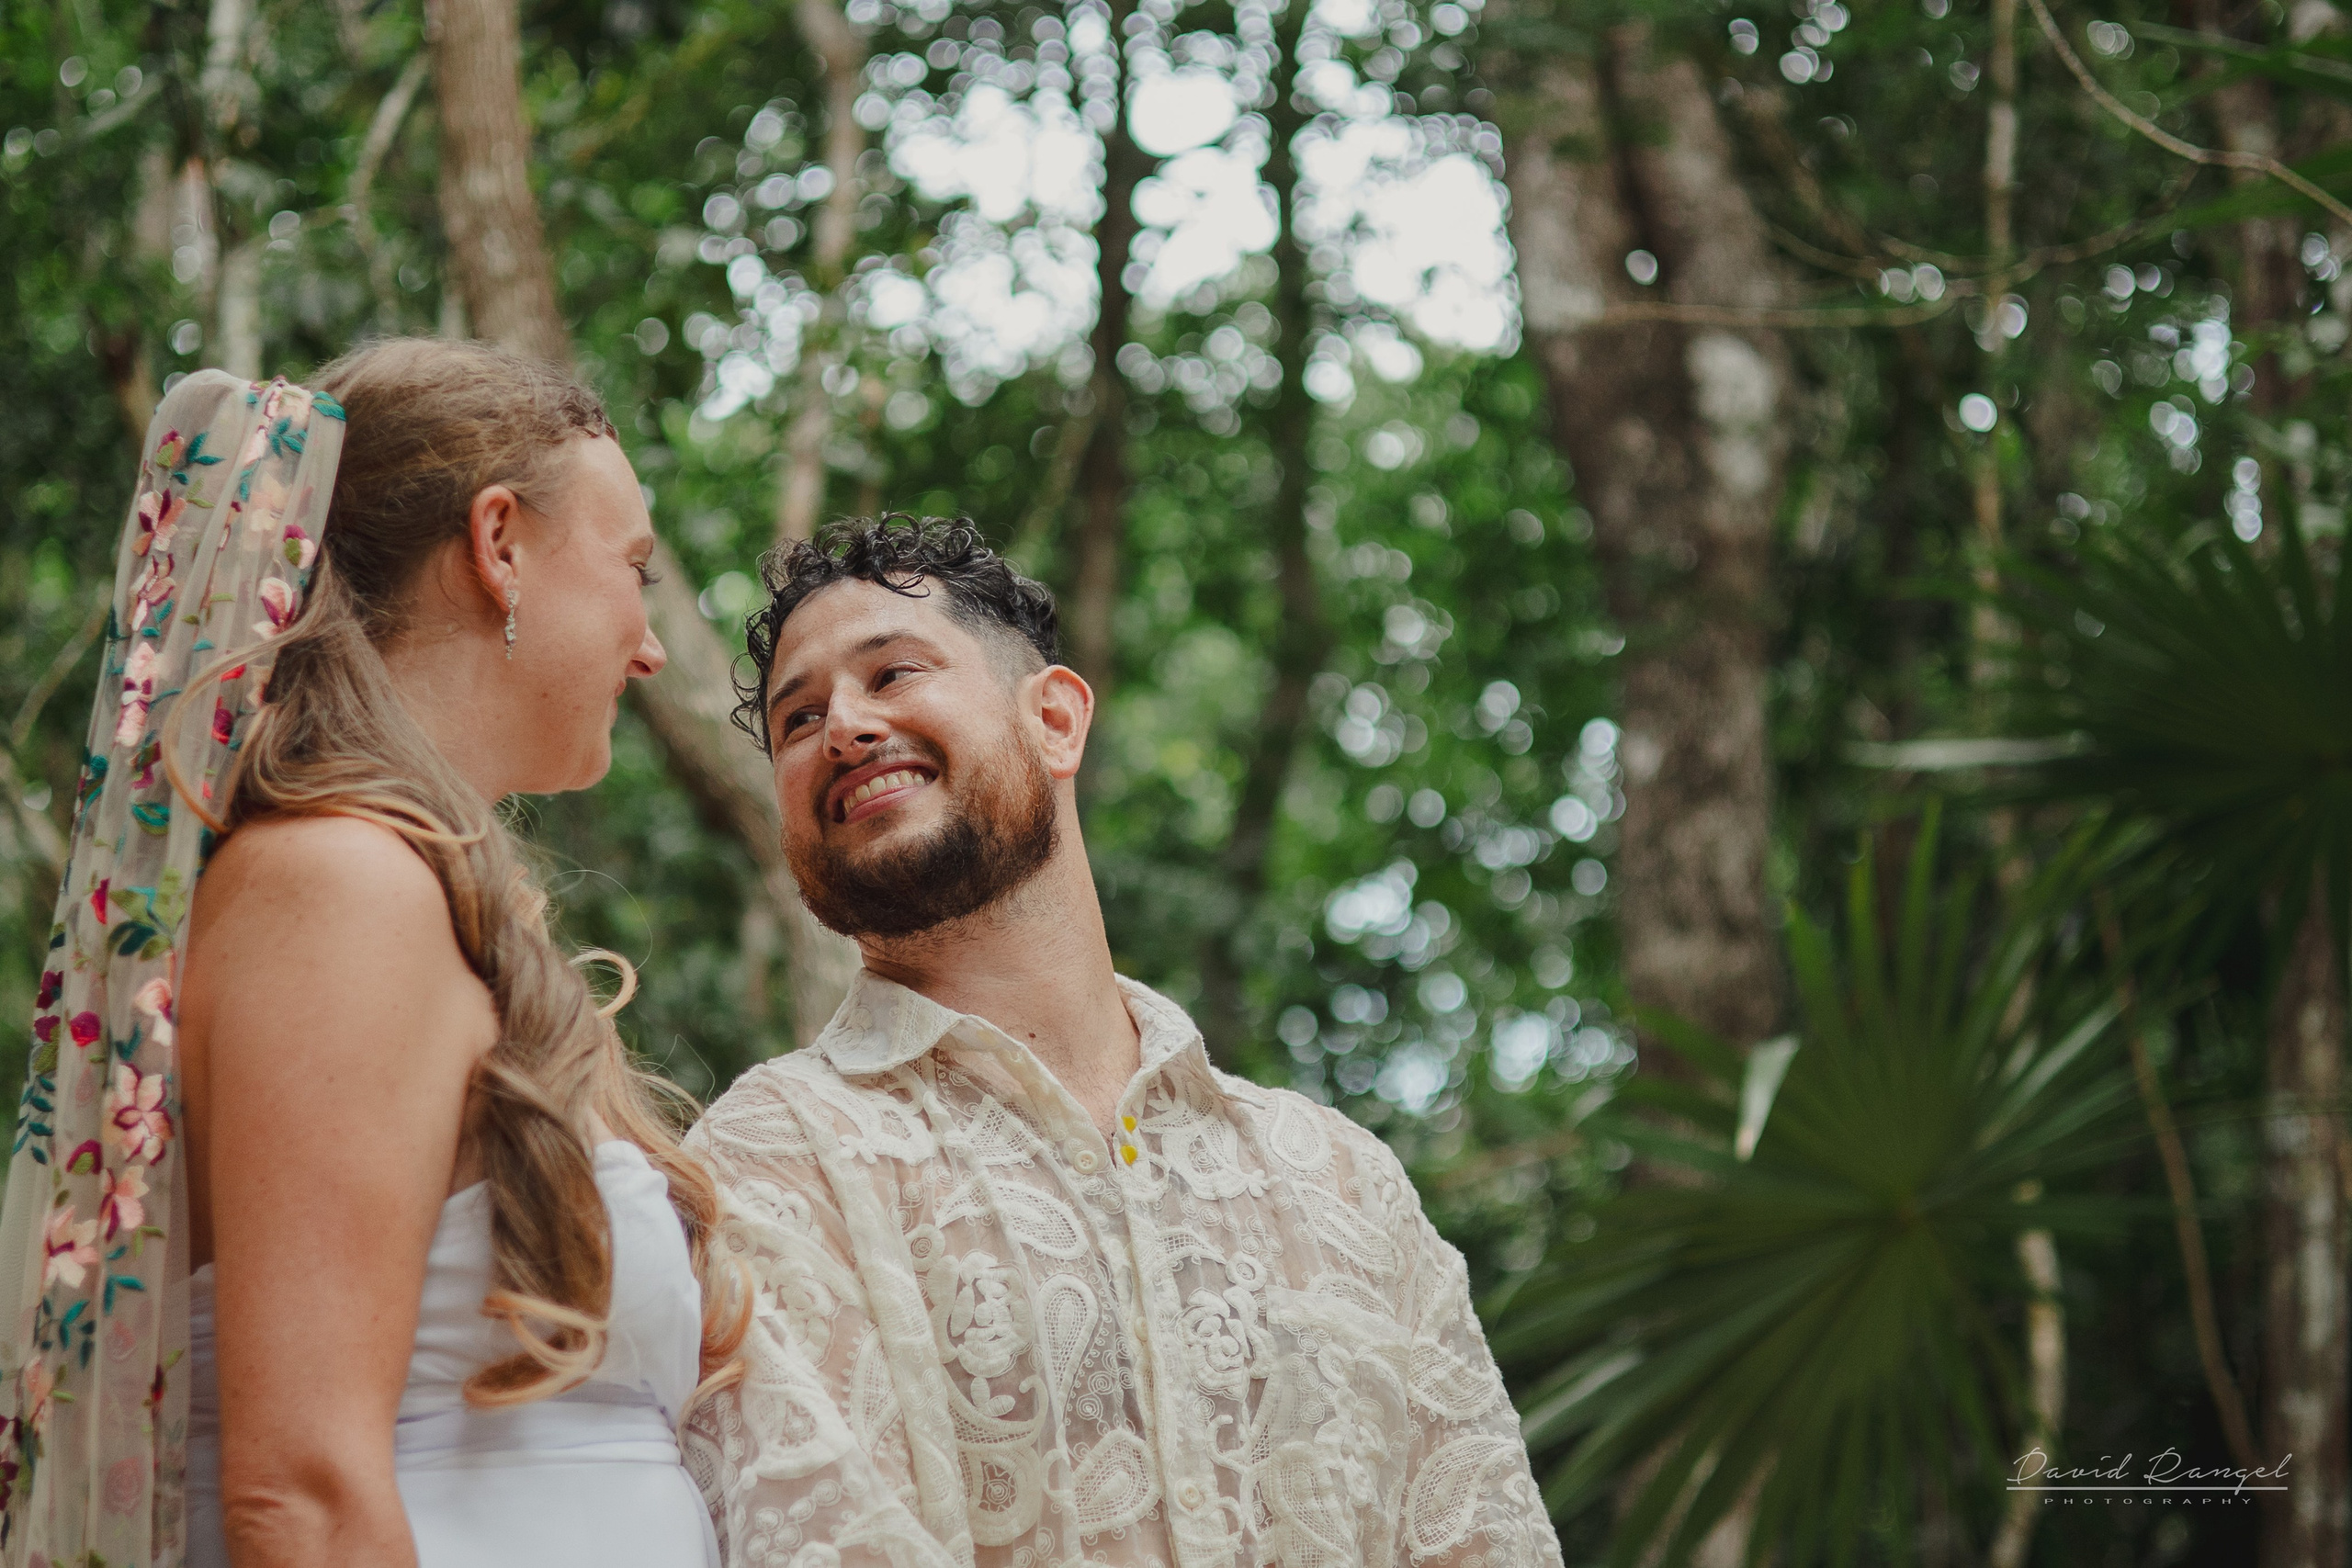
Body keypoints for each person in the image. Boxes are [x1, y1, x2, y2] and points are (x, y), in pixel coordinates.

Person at [684, 517, 1563, 1566]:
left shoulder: (1342, 1182)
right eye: (797, 719)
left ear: (1054, 718)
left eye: (893, 671)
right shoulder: (763, 1168)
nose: (844, 727)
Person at [0, 342, 746, 1568]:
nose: (651, 643)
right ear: (499, 542)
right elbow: (299, 1492)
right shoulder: (338, 888)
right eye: (635, 569)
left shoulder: (396, 887)